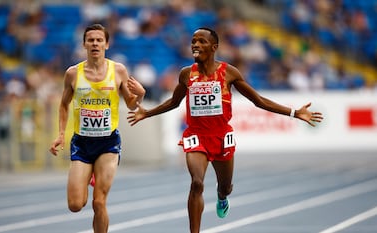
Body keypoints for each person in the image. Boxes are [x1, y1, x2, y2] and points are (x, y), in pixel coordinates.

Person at [127, 27, 323, 233]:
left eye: (201, 41)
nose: (195, 44)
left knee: (225, 187)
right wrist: (146, 113)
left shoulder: (229, 73)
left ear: (214, 47)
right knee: (196, 183)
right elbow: (174, 102)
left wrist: (294, 113)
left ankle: (222, 197)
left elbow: (259, 100)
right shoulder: (186, 74)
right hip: (196, 136)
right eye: (193, 41)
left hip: (221, 137)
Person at [49, 23, 145, 233]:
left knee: (99, 202)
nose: (95, 43)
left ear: (107, 44)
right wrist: (61, 134)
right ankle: (90, 174)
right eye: (90, 40)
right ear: (84, 44)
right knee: (75, 205)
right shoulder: (73, 73)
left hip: (108, 144)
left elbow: (130, 103)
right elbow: (64, 104)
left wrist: (140, 94)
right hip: (82, 144)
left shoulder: (118, 70)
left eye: (99, 40)